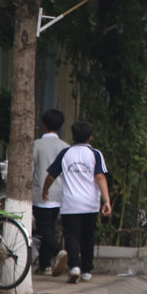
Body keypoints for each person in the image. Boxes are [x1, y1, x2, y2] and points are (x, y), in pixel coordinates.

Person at [42, 121, 111, 284]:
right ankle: (87, 270)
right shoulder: (95, 154)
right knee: (88, 237)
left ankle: (74, 267)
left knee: (71, 236)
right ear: (90, 137)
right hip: (90, 204)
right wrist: (106, 200)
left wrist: (45, 190)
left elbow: (51, 176)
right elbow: (100, 177)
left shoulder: (65, 153)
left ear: (73, 136)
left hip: (70, 204)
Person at [32, 109, 70, 276]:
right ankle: (45, 264)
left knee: (43, 228)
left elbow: (30, 168)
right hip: (59, 194)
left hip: (41, 192)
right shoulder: (66, 147)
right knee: (50, 227)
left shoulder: (36, 145)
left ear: (43, 125)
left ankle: (57, 251)